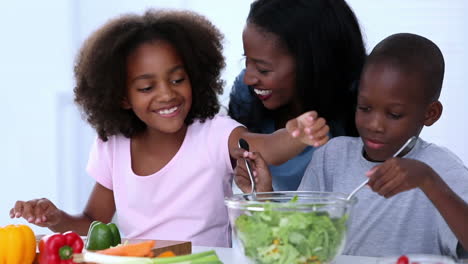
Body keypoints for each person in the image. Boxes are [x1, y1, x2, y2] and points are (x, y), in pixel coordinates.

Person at [9, 9, 329, 247]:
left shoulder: (214, 133)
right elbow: (93, 222)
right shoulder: (113, 145)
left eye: (177, 79)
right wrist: (56, 219)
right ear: (121, 97)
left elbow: (265, 147)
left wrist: (296, 134)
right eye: (147, 87)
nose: (167, 94)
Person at [240, 33, 468, 257]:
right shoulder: (332, 157)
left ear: (430, 114)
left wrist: (428, 181)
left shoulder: (441, 169)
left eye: (394, 114)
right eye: (365, 108)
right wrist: (264, 196)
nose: (375, 125)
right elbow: (297, 241)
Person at [228, 0, 366, 191]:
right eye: (246, 61)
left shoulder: (361, 110)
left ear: (313, 64)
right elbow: (227, 144)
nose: (249, 79)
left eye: (263, 69)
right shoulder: (247, 98)